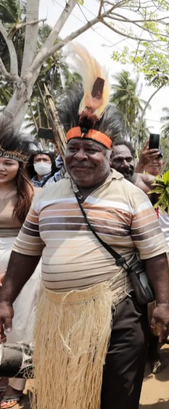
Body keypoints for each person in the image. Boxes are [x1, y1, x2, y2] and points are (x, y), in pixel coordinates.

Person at [0, 45, 169, 409]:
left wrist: (164, 304)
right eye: (73, 148)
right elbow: (26, 251)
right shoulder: (46, 196)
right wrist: (5, 299)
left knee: (117, 395)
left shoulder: (131, 197)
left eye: (91, 151)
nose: (80, 156)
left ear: (108, 156)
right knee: (67, 396)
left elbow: (155, 256)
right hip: (57, 316)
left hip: (117, 315)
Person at [110, 140, 169, 371]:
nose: (155, 162)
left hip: (163, 253)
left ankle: (153, 351)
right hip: (132, 258)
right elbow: (132, 183)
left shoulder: (168, 186)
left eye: (159, 159)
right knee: (139, 310)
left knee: (158, 306)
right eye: (150, 158)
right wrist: (138, 163)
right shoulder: (131, 184)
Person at [0, 119, 41, 409]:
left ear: (20, 166)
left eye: (8, 163)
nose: (2, 168)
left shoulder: (33, 195)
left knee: (21, 324)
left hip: (22, 264)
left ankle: (16, 384)